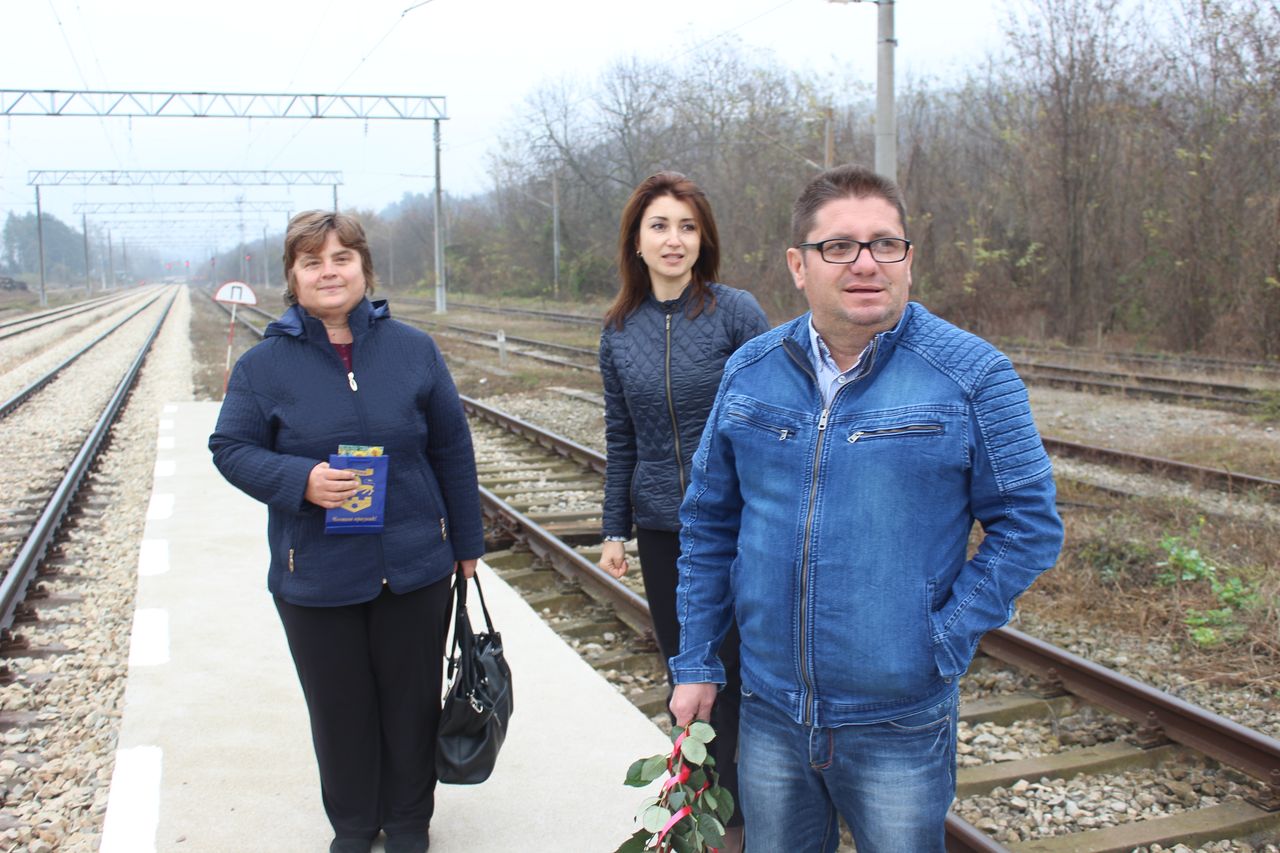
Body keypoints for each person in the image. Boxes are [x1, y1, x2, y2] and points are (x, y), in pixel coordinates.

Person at [668, 164, 1064, 853]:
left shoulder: (973, 376)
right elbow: (709, 523)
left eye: (885, 243)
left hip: (898, 719)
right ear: (798, 265)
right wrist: (698, 659)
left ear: (908, 258)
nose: (866, 263)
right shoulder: (750, 371)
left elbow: (1028, 525)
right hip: (769, 708)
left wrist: (941, 639)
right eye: (839, 246)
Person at [208, 211, 484, 853]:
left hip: (415, 564)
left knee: (411, 703)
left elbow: (451, 447)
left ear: (364, 268)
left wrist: (467, 545)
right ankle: (355, 825)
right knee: (339, 709)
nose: (328, 272)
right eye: (312, 262)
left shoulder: (413, 349)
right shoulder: (262, 366)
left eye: (341, 258)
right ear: (293, 277)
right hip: (316, 571)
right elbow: (230, 447)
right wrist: (299, 479)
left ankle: (409, 822)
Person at [597, 171, 769, 852]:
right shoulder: (618, 331)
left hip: (742, 523)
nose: (675, 239)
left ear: (705, 240)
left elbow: (774, 414)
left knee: (745, 665)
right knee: (689, 672)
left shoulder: (736, 313)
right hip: (664, 527)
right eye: (660, 226)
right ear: (636, 242)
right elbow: (620, 436)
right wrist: (615, 528)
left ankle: (758, 807)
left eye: (688, 227)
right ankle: (710, 810)